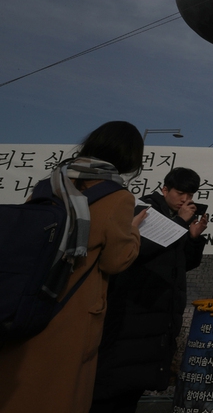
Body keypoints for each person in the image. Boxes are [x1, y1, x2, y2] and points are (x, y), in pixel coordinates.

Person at [0, 121, 145, 413]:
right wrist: (134, 230)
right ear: (130, 157)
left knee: (18, 390)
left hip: (27, 301)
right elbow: (115, 261)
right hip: (72, 312)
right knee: (59, 393)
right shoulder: (118, 197)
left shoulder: (52, 183)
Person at [89, 167, 208, 413]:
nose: (186, 200)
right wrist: (180, 223)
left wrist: (194, 238)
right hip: (132, 312)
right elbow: (136, 253)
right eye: (180, 193)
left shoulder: (178, 219)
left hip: (158, 317)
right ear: (165, 189)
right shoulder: (144, 210)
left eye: (191, 195)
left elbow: (183, 264)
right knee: (111, 386)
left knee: (134, 386)